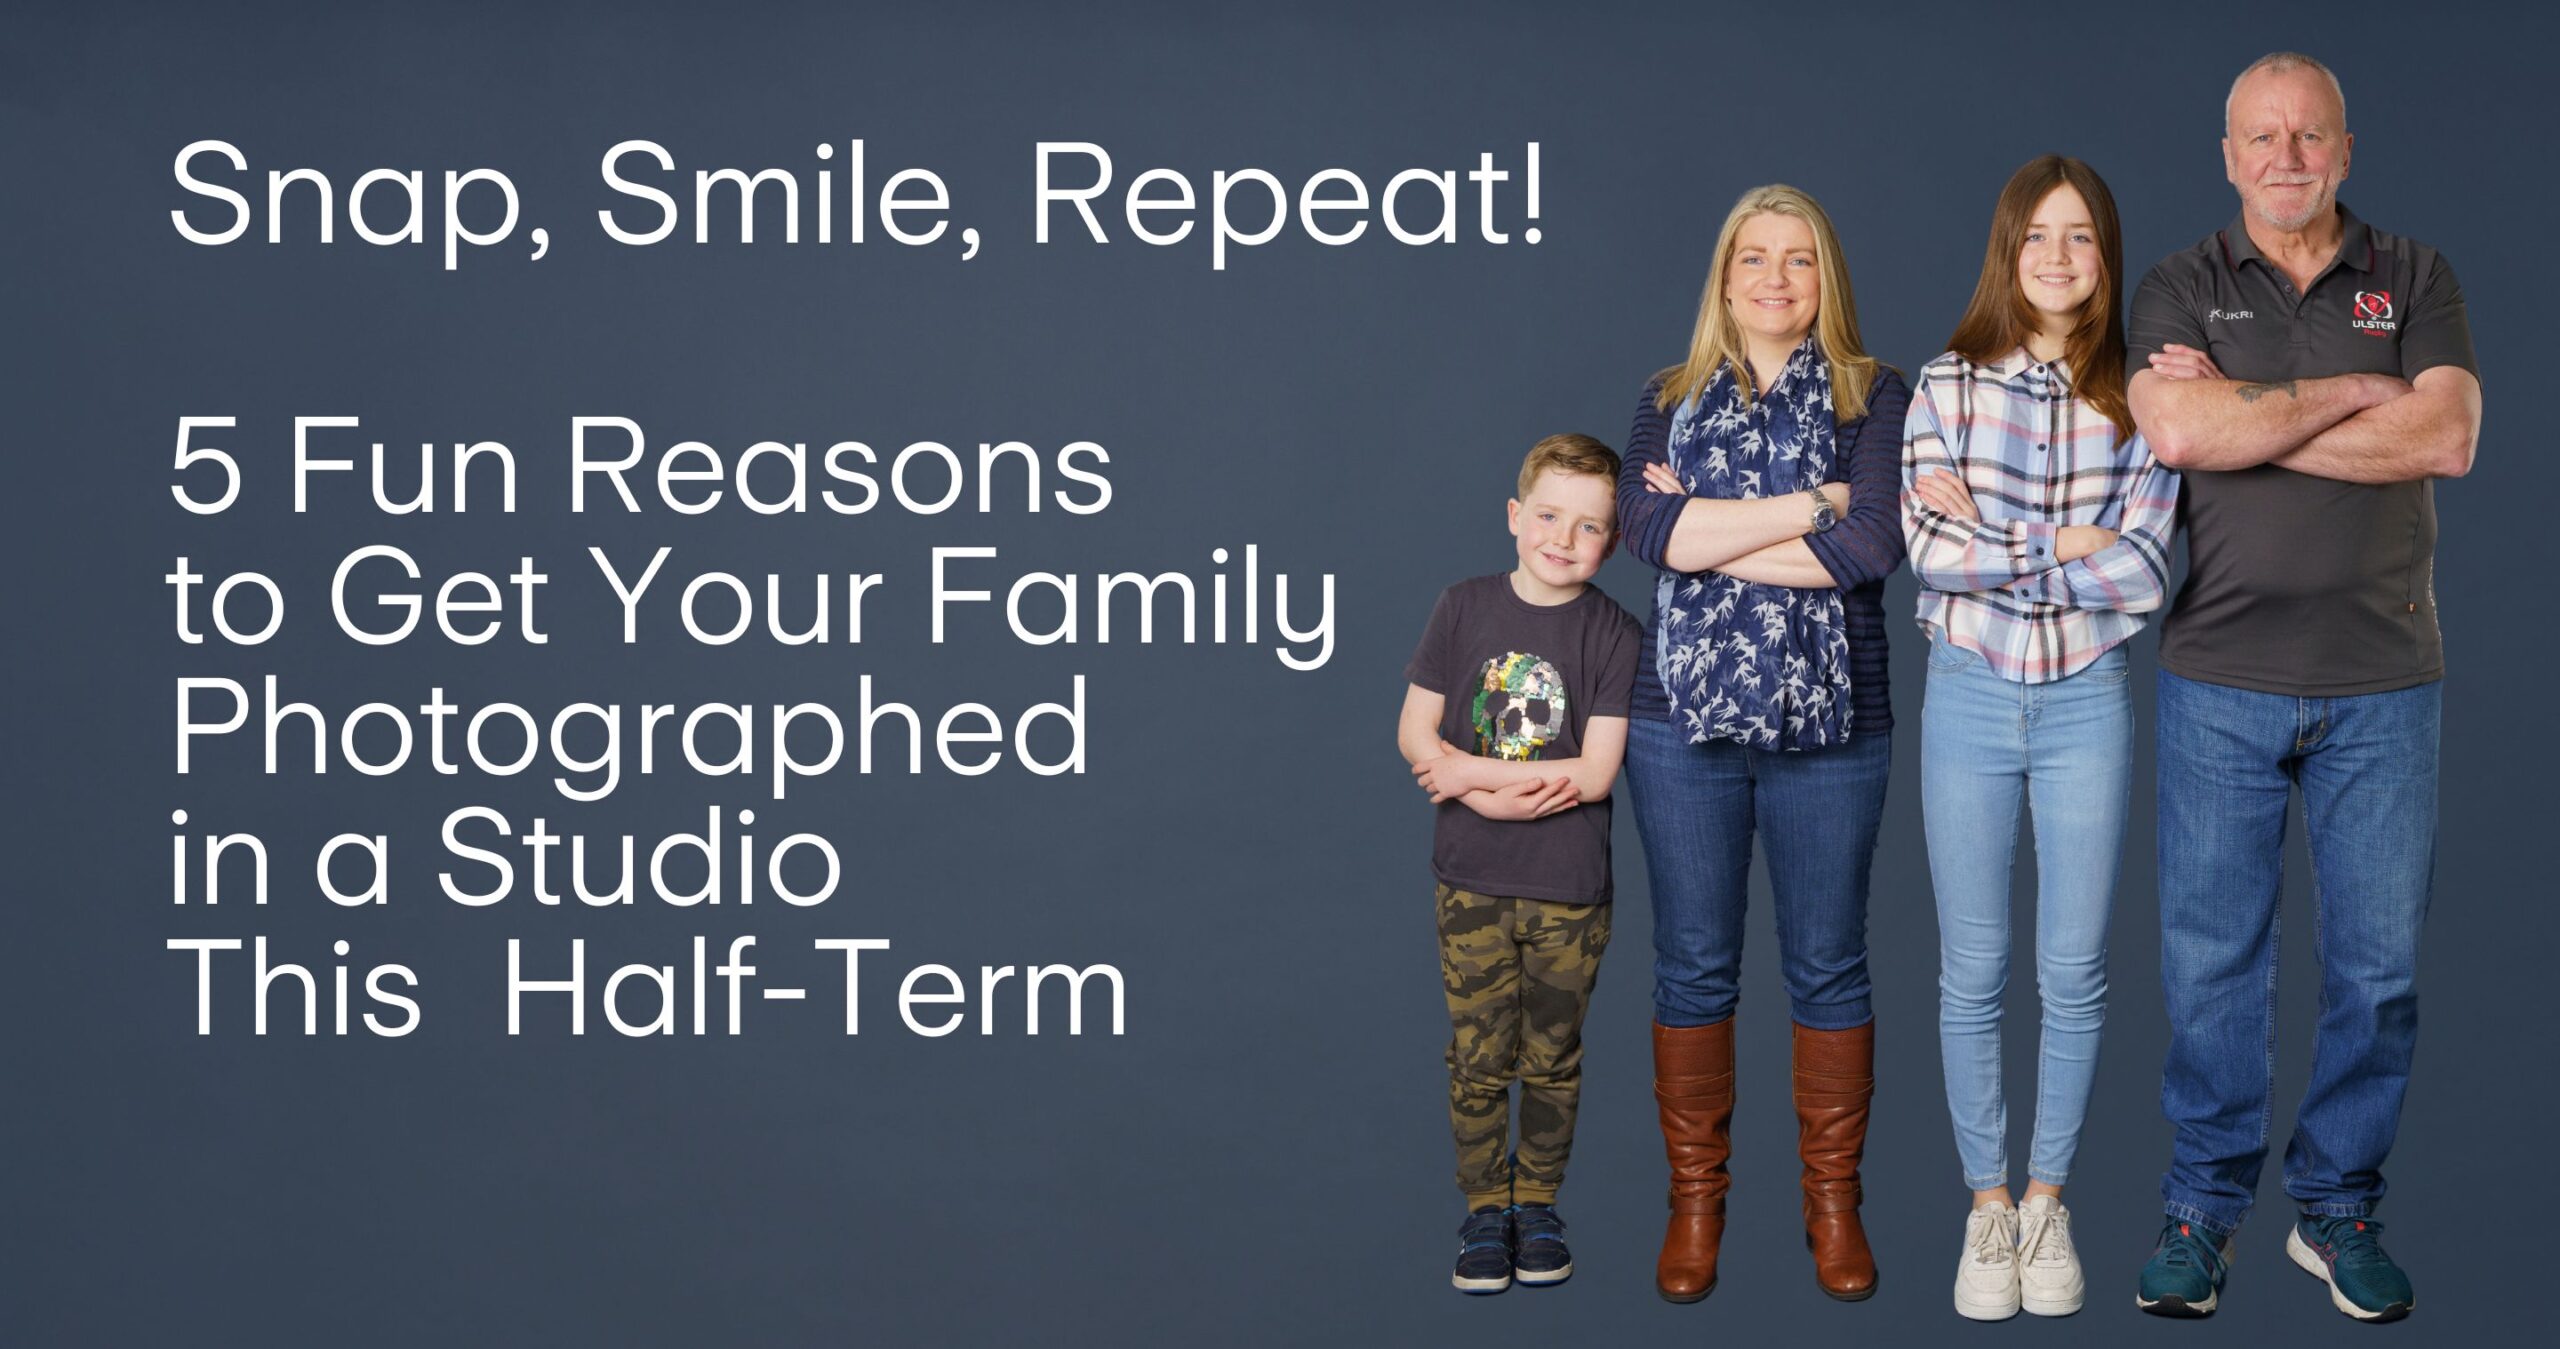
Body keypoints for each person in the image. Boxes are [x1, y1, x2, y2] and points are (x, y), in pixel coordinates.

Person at [2125, 52, 2481, 1324]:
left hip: (2385, 680)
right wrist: (2346, 394)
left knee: (2375, 969)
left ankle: (2334, 1208)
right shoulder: (2175, 281)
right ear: (2227, 156)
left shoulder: (2413, 273)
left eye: (2308, 134)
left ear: (2343, 147)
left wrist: (2248, 409)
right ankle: (2202, 1211)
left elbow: (2444, 435)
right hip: (2218, 674)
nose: (2285, 155)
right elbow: (2175, 433)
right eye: (2260, 137)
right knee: (2211, 967)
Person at [1617, 184, 1909, 1303]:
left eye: (1799, 259)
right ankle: (1696, 1205)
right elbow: (1647, 533)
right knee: (1692, 961)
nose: (1776, 278)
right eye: (1754, 258)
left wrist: (1711, 530)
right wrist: (1807, 505)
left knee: (1828, 961)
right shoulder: (1666, 395)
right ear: (1724, 275)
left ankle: (1832, 1207)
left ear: (1825, 277)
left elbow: (1872, 547)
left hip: (1836, 729)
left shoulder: (1877, 392)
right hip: (1676, 724)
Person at [1901, 156, 2179, 1321]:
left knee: (2073, 972)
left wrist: (2014, 534)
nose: (2058, 258)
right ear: (2005, 252)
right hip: (1965, 690)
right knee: (1974, 972)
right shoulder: (1945, 383)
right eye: (2036, 238)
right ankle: (1984, 1207)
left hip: (2084, 701)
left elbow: (2148, 568)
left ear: (2106, 256)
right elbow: (1925, 548)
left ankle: (2047, 1197)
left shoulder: (2148, 397)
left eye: (2081, 238)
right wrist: (2067, 543)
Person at [1397, 433, 1643, 1295]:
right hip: (1471, 881)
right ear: (1514, 517)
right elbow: (1415, 733)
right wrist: (1477, 788)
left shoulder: (1614, 633)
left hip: (1570, 889)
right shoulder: (1462, 607)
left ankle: (1536, 1201)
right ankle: (1481, 1208)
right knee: (1477, 1052)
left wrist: (1470, 773)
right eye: (1548, 516)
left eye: (1588, 527)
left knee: (1552, 1052)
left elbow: (1596, 772)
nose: (1563, 539)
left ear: (1611, 542)